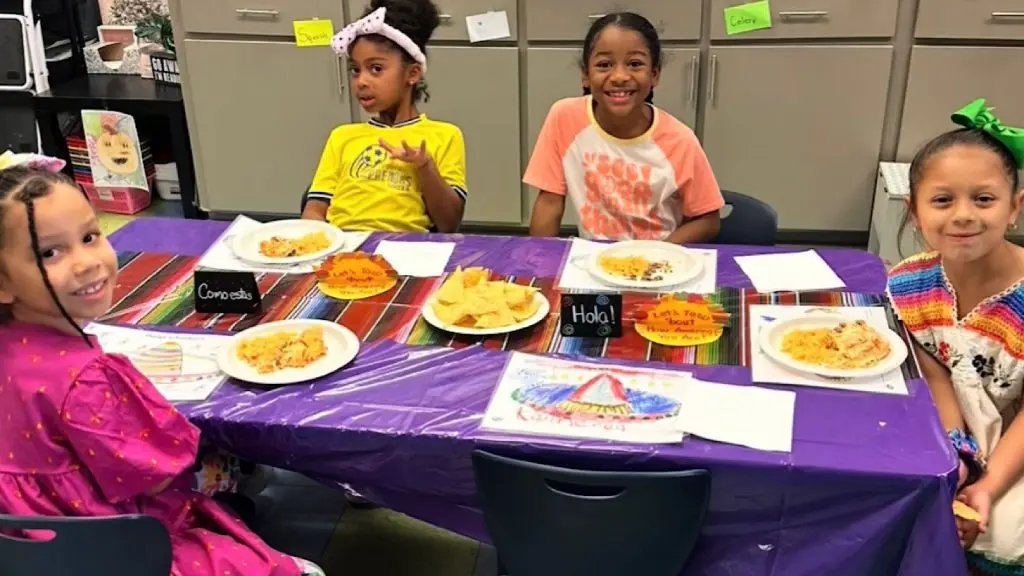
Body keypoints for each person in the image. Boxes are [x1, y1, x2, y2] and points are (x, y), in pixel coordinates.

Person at [0, 159, 325, 576]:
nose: (86, 262)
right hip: (119, 550)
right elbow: (154, 476)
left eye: (89, 236)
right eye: (50, 251)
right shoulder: (89, 377)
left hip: (28, 551)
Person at [887, 98, 1024, 575]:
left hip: (1017, 437)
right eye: (943, 200)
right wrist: (957, 453)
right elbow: (934, 370)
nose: (963, 215)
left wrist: (987, 486)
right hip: (962, 425)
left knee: (1000, 533)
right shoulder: (907, 283)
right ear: (915, 211)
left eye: (983, 199)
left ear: (1015, 208)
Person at [524, 12, 724, 243]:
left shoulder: (680, 140)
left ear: (655, 75)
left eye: (635, 64)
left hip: (657, 265)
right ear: (585, 75)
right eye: (604, 65)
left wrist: (655, 254)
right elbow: (549, 202)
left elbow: (708, 219)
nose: (619, 76)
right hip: (592, 261)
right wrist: (538, 264)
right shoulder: (564, 117)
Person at [301, 0, 467, 234]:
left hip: (409, 252)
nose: (361, 81)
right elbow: (314, 210)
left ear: (412, 73)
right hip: (343, 248)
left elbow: (449, 224)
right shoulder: (342, 137)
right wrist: (317, 242)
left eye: (376, 69)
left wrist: (424, 165)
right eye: (355, 70)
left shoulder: (444, 135)